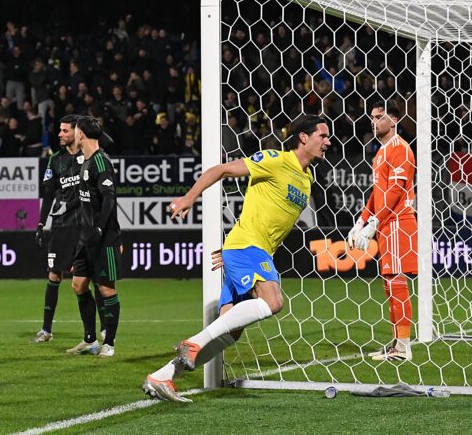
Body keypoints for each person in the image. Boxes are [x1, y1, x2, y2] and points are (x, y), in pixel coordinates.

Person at [143, 115, 330, 402]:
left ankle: (162, 376)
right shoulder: (275, 159)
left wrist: (232, 252)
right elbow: (221, 170)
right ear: (303, 137)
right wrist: (189, 198)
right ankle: (192, 343)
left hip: (246, 250)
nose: (328, 142)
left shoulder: (307, 179)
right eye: (322, 136)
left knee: (231, 330)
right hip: (248, 247)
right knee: (273, 301)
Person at [347, 100, 417, 361]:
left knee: (397, 283)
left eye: (379, 117)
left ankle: (403, 347)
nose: (374, 121)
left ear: (394, 120)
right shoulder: (381, 152)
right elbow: (378, 194)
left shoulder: (400, 149)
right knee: (389, 284)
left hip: (399, 223)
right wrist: (361, 221)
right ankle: (397, 344)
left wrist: (374, 222)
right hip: (386, 223)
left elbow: (396, 191)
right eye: (372, 117)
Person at [32, 115, 106, 343]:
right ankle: (46, 329)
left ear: (77, 132)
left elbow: (106, 141)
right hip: (61, 225)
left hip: (85, 224)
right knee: (54, 274)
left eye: (64, 131)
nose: (60, 134)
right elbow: (48, 194)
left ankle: (103, 329)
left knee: (90, 277)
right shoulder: (55, 160)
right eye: (60, 130)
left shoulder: (91, 156)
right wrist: (41, 223)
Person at [66, 116, 122, 358]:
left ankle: (108, 343)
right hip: (85, 237)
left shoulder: (101, 161)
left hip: (104, 236)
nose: (73, 135)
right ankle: (90, 340)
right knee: (78, 285)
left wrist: (100, 228)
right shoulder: (86, 161)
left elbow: (109, 197)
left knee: (107, 290)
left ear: (81, 135)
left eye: (76, 131)